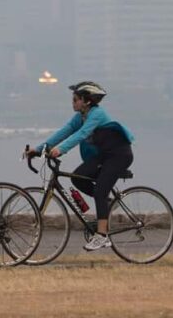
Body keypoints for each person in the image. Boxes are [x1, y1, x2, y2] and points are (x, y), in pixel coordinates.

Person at [26, 81, 134, 251]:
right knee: (78, 178)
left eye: (76, 99)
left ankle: (102, 236)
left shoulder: (97, 114)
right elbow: (65, 131)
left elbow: (82, 134)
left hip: (118, 156)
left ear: (87, 101)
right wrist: (39, 150)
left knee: (99, 191)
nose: (73, 102)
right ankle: (107, 203)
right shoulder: (80, 117)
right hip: (102, 156)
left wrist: (61, 150)